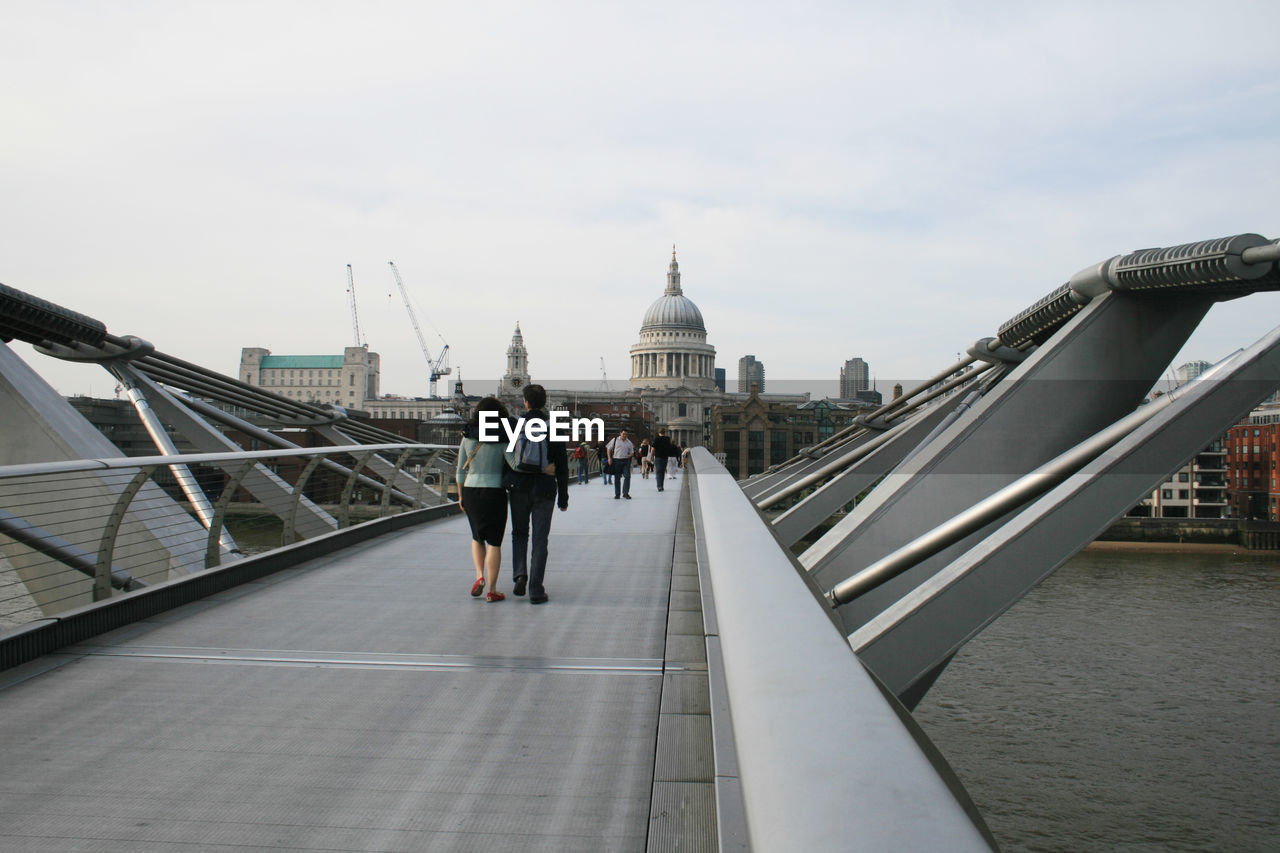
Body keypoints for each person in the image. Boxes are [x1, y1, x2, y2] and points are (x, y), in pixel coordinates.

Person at [503, 384, 568, 605]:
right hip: (545, 489)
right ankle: (536, 590)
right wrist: (564, 496)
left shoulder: (516, 424)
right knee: (541, 540)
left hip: (519, 488)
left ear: (526, 402)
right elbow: (561, 464)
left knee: (519, 534)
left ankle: (520, 574)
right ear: (545, 402)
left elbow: (509, 456)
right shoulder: (554, 427)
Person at [456, 397, 510, 602]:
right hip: (495, 491)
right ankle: (493, 590)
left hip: (471, 490)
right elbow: (514, 464)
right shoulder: (503, 438)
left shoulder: (467, 437)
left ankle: (479, 577)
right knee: (495, 542)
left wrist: (461, 496)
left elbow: (460, 471)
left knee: (477, 537)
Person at [607, 429, 635, 499]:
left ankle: (625, 493)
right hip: (616, 460)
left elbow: (632, 452)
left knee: (627, 476)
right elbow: (608, 448)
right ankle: (617, 494)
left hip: (626, 461)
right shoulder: (615, 440)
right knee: (617, 478)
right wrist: (609, 458)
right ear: (620, 433)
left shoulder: (629, 442)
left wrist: (629, 455)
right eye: (623, 434)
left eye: (626, 434)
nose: (625, 435)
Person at [651, 427, 678, 492]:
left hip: (658, 457)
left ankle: (659, 486)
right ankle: (662, 486)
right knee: (662, 472)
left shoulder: (656, 439)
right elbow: (668, 447)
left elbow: (653, 448)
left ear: (659, 432)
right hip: (665, 457)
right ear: (664, 432)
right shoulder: (667, 439)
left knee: (658, 472)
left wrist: (652, 455)